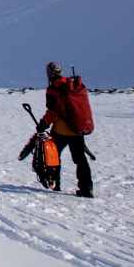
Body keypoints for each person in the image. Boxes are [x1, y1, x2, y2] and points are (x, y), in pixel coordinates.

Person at [39, 61, 94, 198]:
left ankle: (54, 184)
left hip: (61, 130)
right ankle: (86, 188)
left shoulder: (53, 88)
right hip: (77, 128)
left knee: (53, 156)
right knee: (80, 159)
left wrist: (43, 123)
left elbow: (53, 111)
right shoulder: (74, 85)